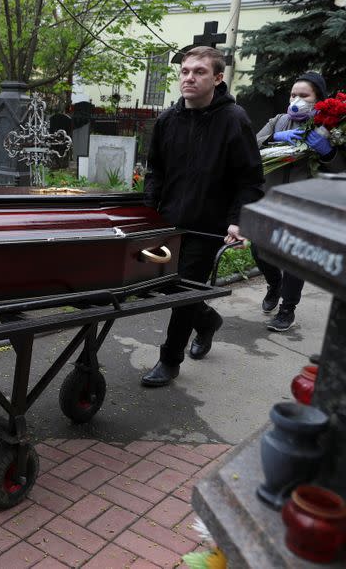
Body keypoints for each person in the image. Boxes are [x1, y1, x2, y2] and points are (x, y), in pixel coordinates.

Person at [141, 46, 264, 387]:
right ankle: (207, 320)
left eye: (199, 72)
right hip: (167, 223)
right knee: (165, 286)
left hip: (207, 226)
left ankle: (169, 360)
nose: (189, 77)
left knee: (181, 291)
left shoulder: (234, 120)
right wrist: (147, 214)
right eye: (185, 71)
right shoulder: (167, 120)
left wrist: (237, 220)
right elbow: (156, 172)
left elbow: (251, 180)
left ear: (218, 78)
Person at [252, 72, 345, 331]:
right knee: (259, 250)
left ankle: (287, 309)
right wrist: (274, 140)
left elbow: (340, 172)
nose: (296, 100)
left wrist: (329, 152)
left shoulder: (331, 128)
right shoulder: (279, 121)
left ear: (318, 100)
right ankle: (274, 284)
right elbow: (250, 146)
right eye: (293, 95)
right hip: (271, 198)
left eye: (304, 96)